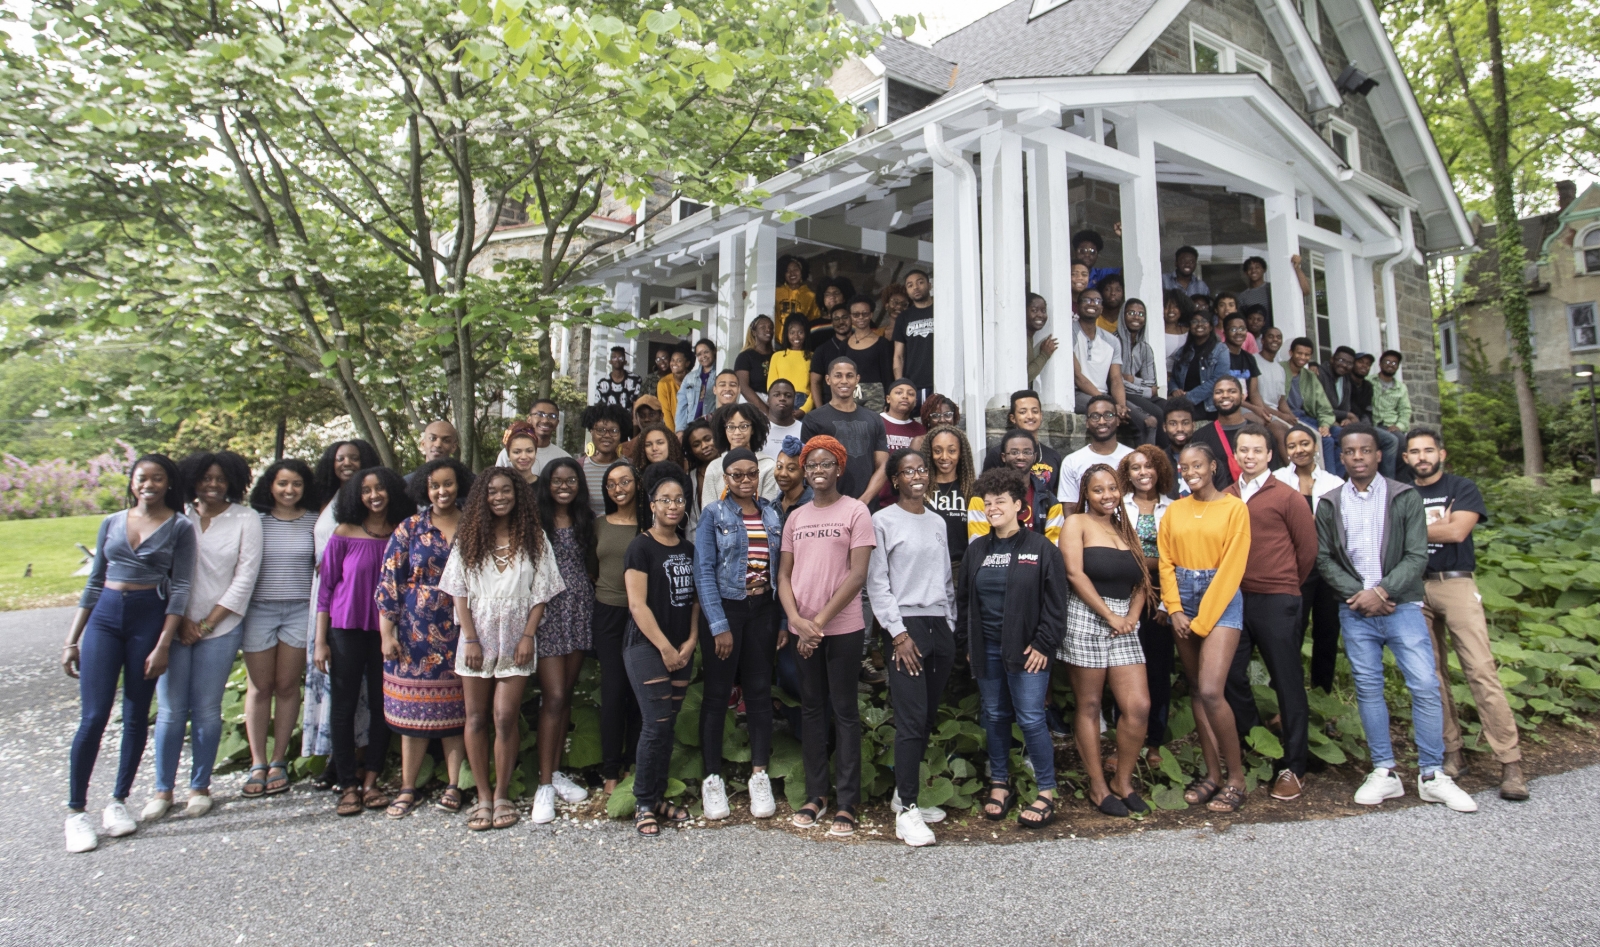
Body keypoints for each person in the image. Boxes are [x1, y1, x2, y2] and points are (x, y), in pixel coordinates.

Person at [1316, 424, 1477, 813]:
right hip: (1355, 610)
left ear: (1378, 455)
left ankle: (1432, 774)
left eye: (1365, 451)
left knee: (1423, 685)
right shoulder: (1330, 502)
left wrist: (1383, 592)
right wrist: (1360, 595)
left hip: (1401, 606)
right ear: (1342, 456)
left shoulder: (1402, 496)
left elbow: (1417, 555)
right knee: (1369, 689)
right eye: (1350, 451)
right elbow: (1324, 558)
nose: (1357, 457)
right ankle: (1384, 771)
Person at [62, 454, 195, 853]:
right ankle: (76, 812)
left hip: (148, 619)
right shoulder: (112, 522)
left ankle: (118, 802)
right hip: (105, 618)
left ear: (168, 483)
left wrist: (164, 643)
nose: (148, 484)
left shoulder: (180, 527)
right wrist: (72, 639)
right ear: (133, 483)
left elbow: (181, 588)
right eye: (142, 478)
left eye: (157, 478)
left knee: (136, 714)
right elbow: (94, 582)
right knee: (94, 715)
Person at [1404, 429, 1528, 800]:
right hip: (1414, 586)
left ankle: (1511, 762)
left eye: (1428, 450)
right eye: (1414, 452)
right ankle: (1452, 754)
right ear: (1406, 458)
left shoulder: (1463, 487)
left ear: (1441, 453)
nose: (1422, 457)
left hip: (1455, 584)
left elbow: (1458, 531)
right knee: (1430, 675)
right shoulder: (1403, 492)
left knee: (1480, 670)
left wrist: (1410, 531)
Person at [439, 467, 565, 830]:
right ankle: (481, 795)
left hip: (516, 636)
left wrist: (528, 636)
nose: (499, 497)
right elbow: (459, 592)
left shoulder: (534, 538)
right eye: (492, 491)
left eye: (506, 491)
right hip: (475, 636)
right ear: (482, 496)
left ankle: (502, 794)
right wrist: (471, 638)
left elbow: (541, 593)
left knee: (505, 716)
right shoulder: (469, 537)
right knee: (476, 717)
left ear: (518, 494)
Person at [149, 451, 261, 820]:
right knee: (170, 711)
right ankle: (162, 790)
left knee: (208, 710)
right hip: (172, 626)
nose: (212, 484)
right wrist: (180, 621)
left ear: (232, 481)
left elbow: (244, 578)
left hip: (222, 628)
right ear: (192, 479)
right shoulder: (178, 517)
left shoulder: (246, 519)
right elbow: (164, 570)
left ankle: (200, 786)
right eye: (205, 478)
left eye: (220, 479)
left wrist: (208, 624)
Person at [779, 436, 875, 836]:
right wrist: (795, 620)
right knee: (812, 709)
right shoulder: (796, 518)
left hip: (843, 629)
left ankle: (848, 802)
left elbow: (857, 576)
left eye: (825, 464)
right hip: (804, 631)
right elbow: (783, 575)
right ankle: (816, 794)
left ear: (839, 468)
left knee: (845, 711)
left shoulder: (855, 512)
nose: (818, 471)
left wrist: (815, 623)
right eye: (811, 465)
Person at [963, 466, 1067, 828]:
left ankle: (1046, 791)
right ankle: (999, 782)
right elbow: (965, 602)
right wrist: (969, 643)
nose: (992, 508)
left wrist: (1044, 643)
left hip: (1028, 651)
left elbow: (1056, 603)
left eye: (1000, 502)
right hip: (987, 647)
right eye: (987, 503)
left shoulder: (1040, 549)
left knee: (1032, 718)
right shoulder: (977, 549)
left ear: (1018, 506)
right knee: (994, 715)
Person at [1220, 424, 1317, 802]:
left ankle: (1293, 765)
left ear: (1269, 455)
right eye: (1243, 450)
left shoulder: (1287, 496)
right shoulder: (1226, 496)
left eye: (1256, 451)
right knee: (1230, 677)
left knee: (1287, 682)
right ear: (1235, 455)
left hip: (1276, 599)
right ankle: (1255, 744)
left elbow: (1307, 551)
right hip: (1233, 600)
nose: (1249, 456)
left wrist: (1284, 584)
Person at [866, 448, 958, 846]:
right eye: (908, 471)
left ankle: (904, 793)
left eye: (922, 469)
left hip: (940, 625)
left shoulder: (938, 521)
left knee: (925, 719)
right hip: (905, 628)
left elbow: (947, 578)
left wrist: (950, 623)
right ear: (896, 480)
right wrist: (898, 634)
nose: (917, 475)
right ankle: (907, 812)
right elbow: (877, 583)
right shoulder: (881, 521)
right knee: (909, 719)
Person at [374, 458, 474, 819]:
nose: (442, 492)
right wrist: (387, 632)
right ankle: (407, 786)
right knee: (412, 717)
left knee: (455, 711)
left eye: (448, 484)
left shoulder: (474, 523)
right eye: (434, 486)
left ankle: (453, 784)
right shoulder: (410, 528)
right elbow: (389, 582)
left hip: (463, 629)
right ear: (425, 490)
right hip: (415, 631)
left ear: (458, 484)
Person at [316, 466, 417, 816]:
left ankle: (372, 779)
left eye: (380, 489)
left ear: (391, 490)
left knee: (381, 705)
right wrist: (319, 642)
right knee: (342, 707)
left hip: (388, 632)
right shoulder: (343, 533)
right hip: (346, 629)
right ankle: (347, 783)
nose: (374, 496)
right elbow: (325, 590)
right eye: (366, 490)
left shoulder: (403, 533)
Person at [1159, 443, 1251, 813]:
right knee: (1197, 690)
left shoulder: (1234, 508)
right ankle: (1213, 776)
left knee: (1213, 690)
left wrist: (1202, 620)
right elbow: (1165, 561)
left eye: (1197, 465)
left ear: (1213, 466)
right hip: (1183, 598)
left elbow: (1232, 568)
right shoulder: (1175, 510)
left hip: (1221, 599)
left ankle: (1237, 780)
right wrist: (1175, 610)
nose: (1190, 471)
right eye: (1184, 466)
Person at [694, 448, 784, 821]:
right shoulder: (713, 515)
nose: (745, 481)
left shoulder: (771, 512)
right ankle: (712, 778)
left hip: (763, 609)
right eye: (737, 475)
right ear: (725, 478)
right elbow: (704, 571)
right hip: (727, 609)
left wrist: (780, 621)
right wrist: (718, 626)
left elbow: (782, 571)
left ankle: (759, 775)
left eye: (750, 474)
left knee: (760, 693)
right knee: (717, 695)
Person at [1058, 464, 1153, 817]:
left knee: (1138, 705)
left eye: (1112, 488)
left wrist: (1129, 616)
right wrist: (1108, 615)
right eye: (1098, 490)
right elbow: (1074, 573)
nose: (1107, 495)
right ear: (1086, 493)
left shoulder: (1125, 527)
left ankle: (1122, 782)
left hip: (1125, 621)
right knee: (1090, 705)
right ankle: (1098, 787)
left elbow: (1143, 578)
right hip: (1086, 615)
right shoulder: (1077, 523)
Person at [623, 463, 701, 837]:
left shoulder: (689, 548)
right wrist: (667, 648)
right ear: (652, 505)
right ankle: (641, 802)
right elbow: (638, 606)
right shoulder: (640, 546)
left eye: (679, 500)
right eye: (665, 500)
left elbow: (696, 602)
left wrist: (688, 642)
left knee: (667, 725)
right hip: (647, 646)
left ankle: (656, 796)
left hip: (681, 647)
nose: (673, 506)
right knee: (654, 725)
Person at [303, 439, 381, 779]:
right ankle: (340, 763)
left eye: (355, 457)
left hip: (375, 616)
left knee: (373, 694)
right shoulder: (325, 502)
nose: (347, 462)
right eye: (341, 458)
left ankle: (366, 762)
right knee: (341, 691)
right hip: (336, 608)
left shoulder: (384, 520)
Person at [241, 459, 318, 799]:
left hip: (299, 610)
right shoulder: (254, 521)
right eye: (283, 483)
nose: (290, 490)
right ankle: (257, 762)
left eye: (297, 484)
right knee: (260, 686)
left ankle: (278, 760)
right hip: (259, 610)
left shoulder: (314, 522)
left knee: (287, 686)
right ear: (270, 485)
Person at [528, 457, 597, 822]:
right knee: (552, 696)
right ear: (546, 483)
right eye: (557, 480)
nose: (564, 486)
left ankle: (554, 774)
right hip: (548, 613)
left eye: (571, 480)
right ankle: (542, 785)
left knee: (565, 694)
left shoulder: (584, 519)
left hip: (579, 609)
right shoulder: (535, 521)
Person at [1272, 425, 1346, 691]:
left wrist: (1304, 523)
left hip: (1327, 565)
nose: (1298, 450)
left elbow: (1341, 526)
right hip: (1292, 565)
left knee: (1327, 632)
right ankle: (1286, 695)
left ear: (1315, 446)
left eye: (1304, 444)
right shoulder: (1277, 479)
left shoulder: (1334, 483)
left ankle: (1321, 693)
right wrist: (1311, 522)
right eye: (1292, 446)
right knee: (1292, 630)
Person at [1118, 446, 1175, 767]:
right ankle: (1124, 738)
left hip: (1162, 594)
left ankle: (1154, 742)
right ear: (1127, 473)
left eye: (1150, 466)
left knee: (1157, 668)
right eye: (1136, 467)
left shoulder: (1173, 508)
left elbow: (1176, 560)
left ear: (1160, 471)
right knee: (1123, 668)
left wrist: (1169, 603)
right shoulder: (1119, 508)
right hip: (1123, 592)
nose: (1143, 473)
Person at [592, 460, 643, 795]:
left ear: (636, 483)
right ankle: (610, 771)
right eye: (612, 484)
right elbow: (589, 567)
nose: (619, 488)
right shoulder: (598, 525)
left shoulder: (650, 524)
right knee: (612, 692)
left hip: (643, 617)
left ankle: (636, 765)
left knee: (640, 693)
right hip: (608, 613)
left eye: (625, 481)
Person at [800, 357, 889, 505]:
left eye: (849, 376)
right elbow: (807, 467)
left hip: (866, 506)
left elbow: (883, 465)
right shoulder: (813, 419)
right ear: (828, 379)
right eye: (838, 375)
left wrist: (863, 501)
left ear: (857, 379)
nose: (844, 381)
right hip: (826, 506)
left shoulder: (874, 419)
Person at [1073, 288, 1153, 442]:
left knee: (1148, 422)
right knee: (1108, 414)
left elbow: (1116, 379)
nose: (1092, 304)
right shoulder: (1069, 332)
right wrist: (1108, 403)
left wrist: (1121, 406)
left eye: (1097, 301)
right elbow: (1078, 377)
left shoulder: (1111, 340)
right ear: (1078, 305)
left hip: (1104, 395)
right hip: (1078, 394)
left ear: (1101, 308)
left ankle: (1142, 464)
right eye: (1087, 300)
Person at [971, 428, 1065, 543]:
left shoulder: (1050, 502)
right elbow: (978, 548)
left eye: (1027, 452)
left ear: (1034, 457)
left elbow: (1052, 550)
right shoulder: (980, 499)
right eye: (1014, 452)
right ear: (1003, 457)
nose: (1021, 457)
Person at [1318, 346, 1399, 477]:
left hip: (1352, 423)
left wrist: (1359, 423)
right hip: (1328, 421)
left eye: (1368, 364)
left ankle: (1385, 483)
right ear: (1332, 360)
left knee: (1392, 440)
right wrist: (1348, 416)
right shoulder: (1322, 375)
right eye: (1361, 362)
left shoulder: (1353, 382)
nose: (1344, 365)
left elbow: (1358, 410)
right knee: (1340, 439)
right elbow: (1323, 408)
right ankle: (1336, 481)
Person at [698, 401, 779, 508]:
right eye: (731, 427)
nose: (737, 432)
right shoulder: (714, 467)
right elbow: (707, 510)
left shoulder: (768, 465)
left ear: (753, 429)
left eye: (744, 426)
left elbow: (769, 508)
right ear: (724, 430)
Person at [1058, 394, 1135, 506]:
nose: (1102, 421)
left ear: (1118, 420)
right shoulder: (1072, 462)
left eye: (1108, 415)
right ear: (1087, 423)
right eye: (1095, 416)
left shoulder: (1133, 458)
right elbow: (1070, 508)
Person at [981, 389, 1064, 492]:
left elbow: (1056, 493)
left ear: (1041, 415)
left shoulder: (1053, 456)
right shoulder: (998, 454)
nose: (1030, 416)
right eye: (1023, 412)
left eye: (1035, 411)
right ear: (1013, 418)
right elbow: (986, 491)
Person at [1280, 337, 1337, 467]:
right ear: (1291, 353)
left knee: (1344, 436)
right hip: (1289, 417)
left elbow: (1324, 406)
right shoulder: (1280, 369)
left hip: (1307, 417)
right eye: (1299, 353)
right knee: (1327, 441)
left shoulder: (1310, 376)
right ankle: (1329, 480)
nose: (1303, 357)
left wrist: (1325, 424)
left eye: (1307, 355)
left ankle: (1338, 476)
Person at [1188, 375, 1251, 490]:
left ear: (1242, 397)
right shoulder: (1200, 437)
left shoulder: (1259, 433)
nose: (1225, 395)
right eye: (1219, 392)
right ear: (1213, 398)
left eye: (1232, 391)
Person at [1117, 298, 1166, 437]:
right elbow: (1115, 381)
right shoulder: (1112, 342)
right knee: (1156, 413)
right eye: (1131, 312)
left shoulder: (1145, 348)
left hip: (1137, 391)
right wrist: (1147, 392)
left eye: (1141, 314)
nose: (1136, 317)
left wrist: (1133, 380)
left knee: (1169, 408)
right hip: (1119, 394)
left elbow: (1151, 382)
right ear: (1122, 315)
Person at [1168, 310, 1230, 421]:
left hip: (1207, 406)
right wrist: (1174, 390)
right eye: (1195, 321)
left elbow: (1218, 380)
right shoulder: (1182, 351)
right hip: (1183, 403)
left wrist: (1188, 397)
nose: (1199, 324)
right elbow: (1174, 378)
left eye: (1204, 321)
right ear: (1190, 327)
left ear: (1211, 327)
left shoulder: (1220, 349)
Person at [840, 295, 894, 412]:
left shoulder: (882, 343)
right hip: (851, 393)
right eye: (856, 314)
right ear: (850, 316)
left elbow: (887, 374)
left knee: (872, 428)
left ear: (871, 315)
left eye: (864, 314)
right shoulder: (844, 345)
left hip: (876, 395)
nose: (861, 317)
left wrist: (889, 399)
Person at [578, 403, 632, 517]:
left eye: (613, 430)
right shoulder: (579, 467)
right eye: (601, 430)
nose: (607, 435)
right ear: (591, 431)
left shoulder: (631, 466)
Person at [892, 269, 935, 401]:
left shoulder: (943, 309)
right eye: (910, 285)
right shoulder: (903, 318)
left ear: (929, 285)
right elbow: (898, 356)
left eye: (920, 282)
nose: (915, 287)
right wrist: (900, 386)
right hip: (915, 383)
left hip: (946, 380)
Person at [494, 399, 571, 471]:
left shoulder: (564, 458)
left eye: (552, 416)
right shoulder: (510, 453)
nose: (545, 420)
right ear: (529, 420)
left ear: (557, 423)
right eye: (540, 414)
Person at [1236, 254, 1312, 323]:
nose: (1253, 270)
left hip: (1278, 333)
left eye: (1257, 267)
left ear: (1264, 270)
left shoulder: (1273, 288)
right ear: (1246, 272)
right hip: (1256, 336)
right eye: (1250, 268)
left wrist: (1297, 267)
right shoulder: (1242, 297)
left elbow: (1306, 291)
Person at [807, 303, 852, 410]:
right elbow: (815, 382)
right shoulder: (822, 350)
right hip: (831, 406)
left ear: (851, 319)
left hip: (858, 405)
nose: (841, 322)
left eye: (844, 317)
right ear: (831, 323)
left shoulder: (861, 346)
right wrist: (820, 410)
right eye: (836, 319)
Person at [767, 317, 815, 414]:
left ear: (806, 334)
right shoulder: (777, 356)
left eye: (800, 332)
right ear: (786, 334)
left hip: (803, 401)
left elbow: (815, 388)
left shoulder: (812, 356)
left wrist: (804, 409)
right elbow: (771, 386)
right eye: (792, 333)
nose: (796, 336)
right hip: (781, 399)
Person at [682, 417, 719, 529]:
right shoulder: (691, 477)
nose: (704, 446)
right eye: (696, 444)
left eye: (708, 439)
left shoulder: (732, 468)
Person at [674, 339, 718, 430]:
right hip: (691, 427)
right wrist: (680, 430)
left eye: (706, 352)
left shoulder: (720, 375)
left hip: (712, 427)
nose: (703, 356)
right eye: (699, 354)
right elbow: (682, 406)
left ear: (714, 351)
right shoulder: (689, 378)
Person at [735, 315, 776, 410]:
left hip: (774, 402)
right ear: (754, 332)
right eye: (763, 327)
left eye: (771, 327)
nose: (768, 330)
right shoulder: (745, 356)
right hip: (751, 404)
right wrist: (766, 410)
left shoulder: (777, 355)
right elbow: (743, 387)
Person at [405, 420, 460, 489]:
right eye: (432, 438)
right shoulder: (406, 483)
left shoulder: (467, 483)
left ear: (453, 447)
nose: (438, 445)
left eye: (446, 440)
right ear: (423, 444)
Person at [1160, 400, 1196, 498]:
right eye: (1173, 424)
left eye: (1185, 423)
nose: (1180, 429)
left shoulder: (1208, 460)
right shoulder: (1158, 462)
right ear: (1164, 427)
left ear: (1193, 426)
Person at [879, 379, 926, 454]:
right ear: (888, 399)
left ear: (915, 402)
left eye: (910, 394)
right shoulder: (875, 422)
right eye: (899, 392)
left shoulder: (921, 430)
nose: (905, 396)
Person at [1373, 351, 1413, 438]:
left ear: (1397, 367)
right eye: (1387, 362)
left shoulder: (1401, 388)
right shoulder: (1369, 381)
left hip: (1390, 425)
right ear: (1380, 364)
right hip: (1372, 423)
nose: (1391, 365)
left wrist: (1399, 426)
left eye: (1394, 363)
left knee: (1402, 441)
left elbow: (1405, 410)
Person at [774, 255, 819, 330]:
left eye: (795, 269)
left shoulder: (811, 296)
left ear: (802, 272)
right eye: (787, 270)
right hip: (777, 340)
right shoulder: (775, 292)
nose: (792, 273)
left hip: (799, 339)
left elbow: (814, 321)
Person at [762, 378, 804, 458]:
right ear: (768, 400)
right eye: (776, 395)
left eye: (788, 396)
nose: (782, 398)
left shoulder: (803, 429)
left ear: (794, 400)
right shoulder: (757, 428)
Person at [1026, 292, 1059, 387]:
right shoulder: (1020, 340)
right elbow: (1025, 376)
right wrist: (1044, 355)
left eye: (1043, 311)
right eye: (1034, 310)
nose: (1040, 315)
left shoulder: (1029, 338)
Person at [595, 345, 642, 410]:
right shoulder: (602, 383)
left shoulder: (635, 380)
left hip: (628, 419)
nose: (617, 360)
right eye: (614, 357)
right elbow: (598, 407)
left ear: (625, 361)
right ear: (610, 361)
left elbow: (637, 404)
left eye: (620, 358)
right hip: (609, 419)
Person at [658, 343, 691, 427]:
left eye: (679, 360)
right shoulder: (663, 383)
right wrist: (675, 436)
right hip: (673, 431)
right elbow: (666, 413)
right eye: (672, 360)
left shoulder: (694, 380)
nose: (674, 363)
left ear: (687, 363)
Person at [502, 420, 543, 485]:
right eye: (517, 452)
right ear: (508, 455)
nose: (524, 457)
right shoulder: (501, 486)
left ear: (535, 452)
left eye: (529, 451)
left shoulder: (546, 487)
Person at [1161, 289, 1194, 361]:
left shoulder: (1189, 331)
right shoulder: (1156, 332)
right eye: (1166, 306)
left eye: (1175, 306)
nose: (1171, 310)